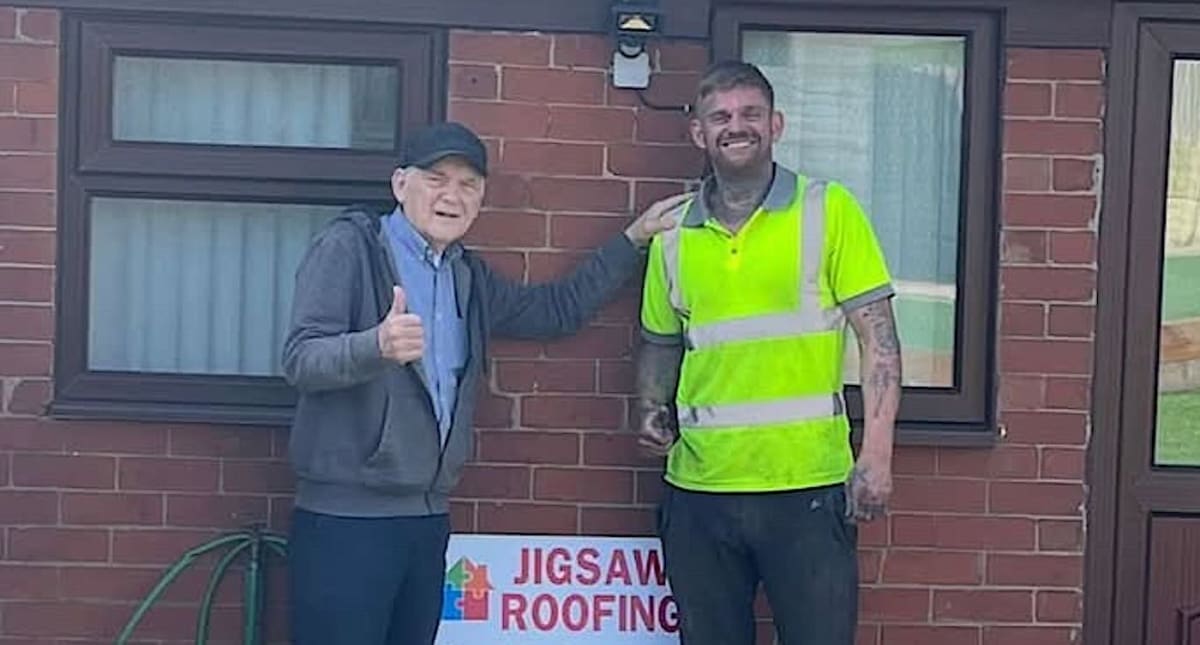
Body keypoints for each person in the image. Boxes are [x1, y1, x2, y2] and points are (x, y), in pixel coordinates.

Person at [281, 121, 687, 645]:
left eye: (468, 184)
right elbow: (301, 358)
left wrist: (633, 241)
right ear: (401, 184)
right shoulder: (349, 249)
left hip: (426, 524)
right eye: (436, 178)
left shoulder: (465, 275)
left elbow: (553, 311)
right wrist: (375, 345)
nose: (452, 195)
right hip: (346, 522)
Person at [635, 61, 902, 645]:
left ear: (776, 124)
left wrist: (876, 454)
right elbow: (660, 337)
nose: (738, 126)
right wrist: (650, 405)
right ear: (698, 133)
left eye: (751, 113)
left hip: (806, 488)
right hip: (701, 490)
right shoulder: (675, 231)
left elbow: (878, 338)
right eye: (721, 116)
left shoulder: (829, 210)